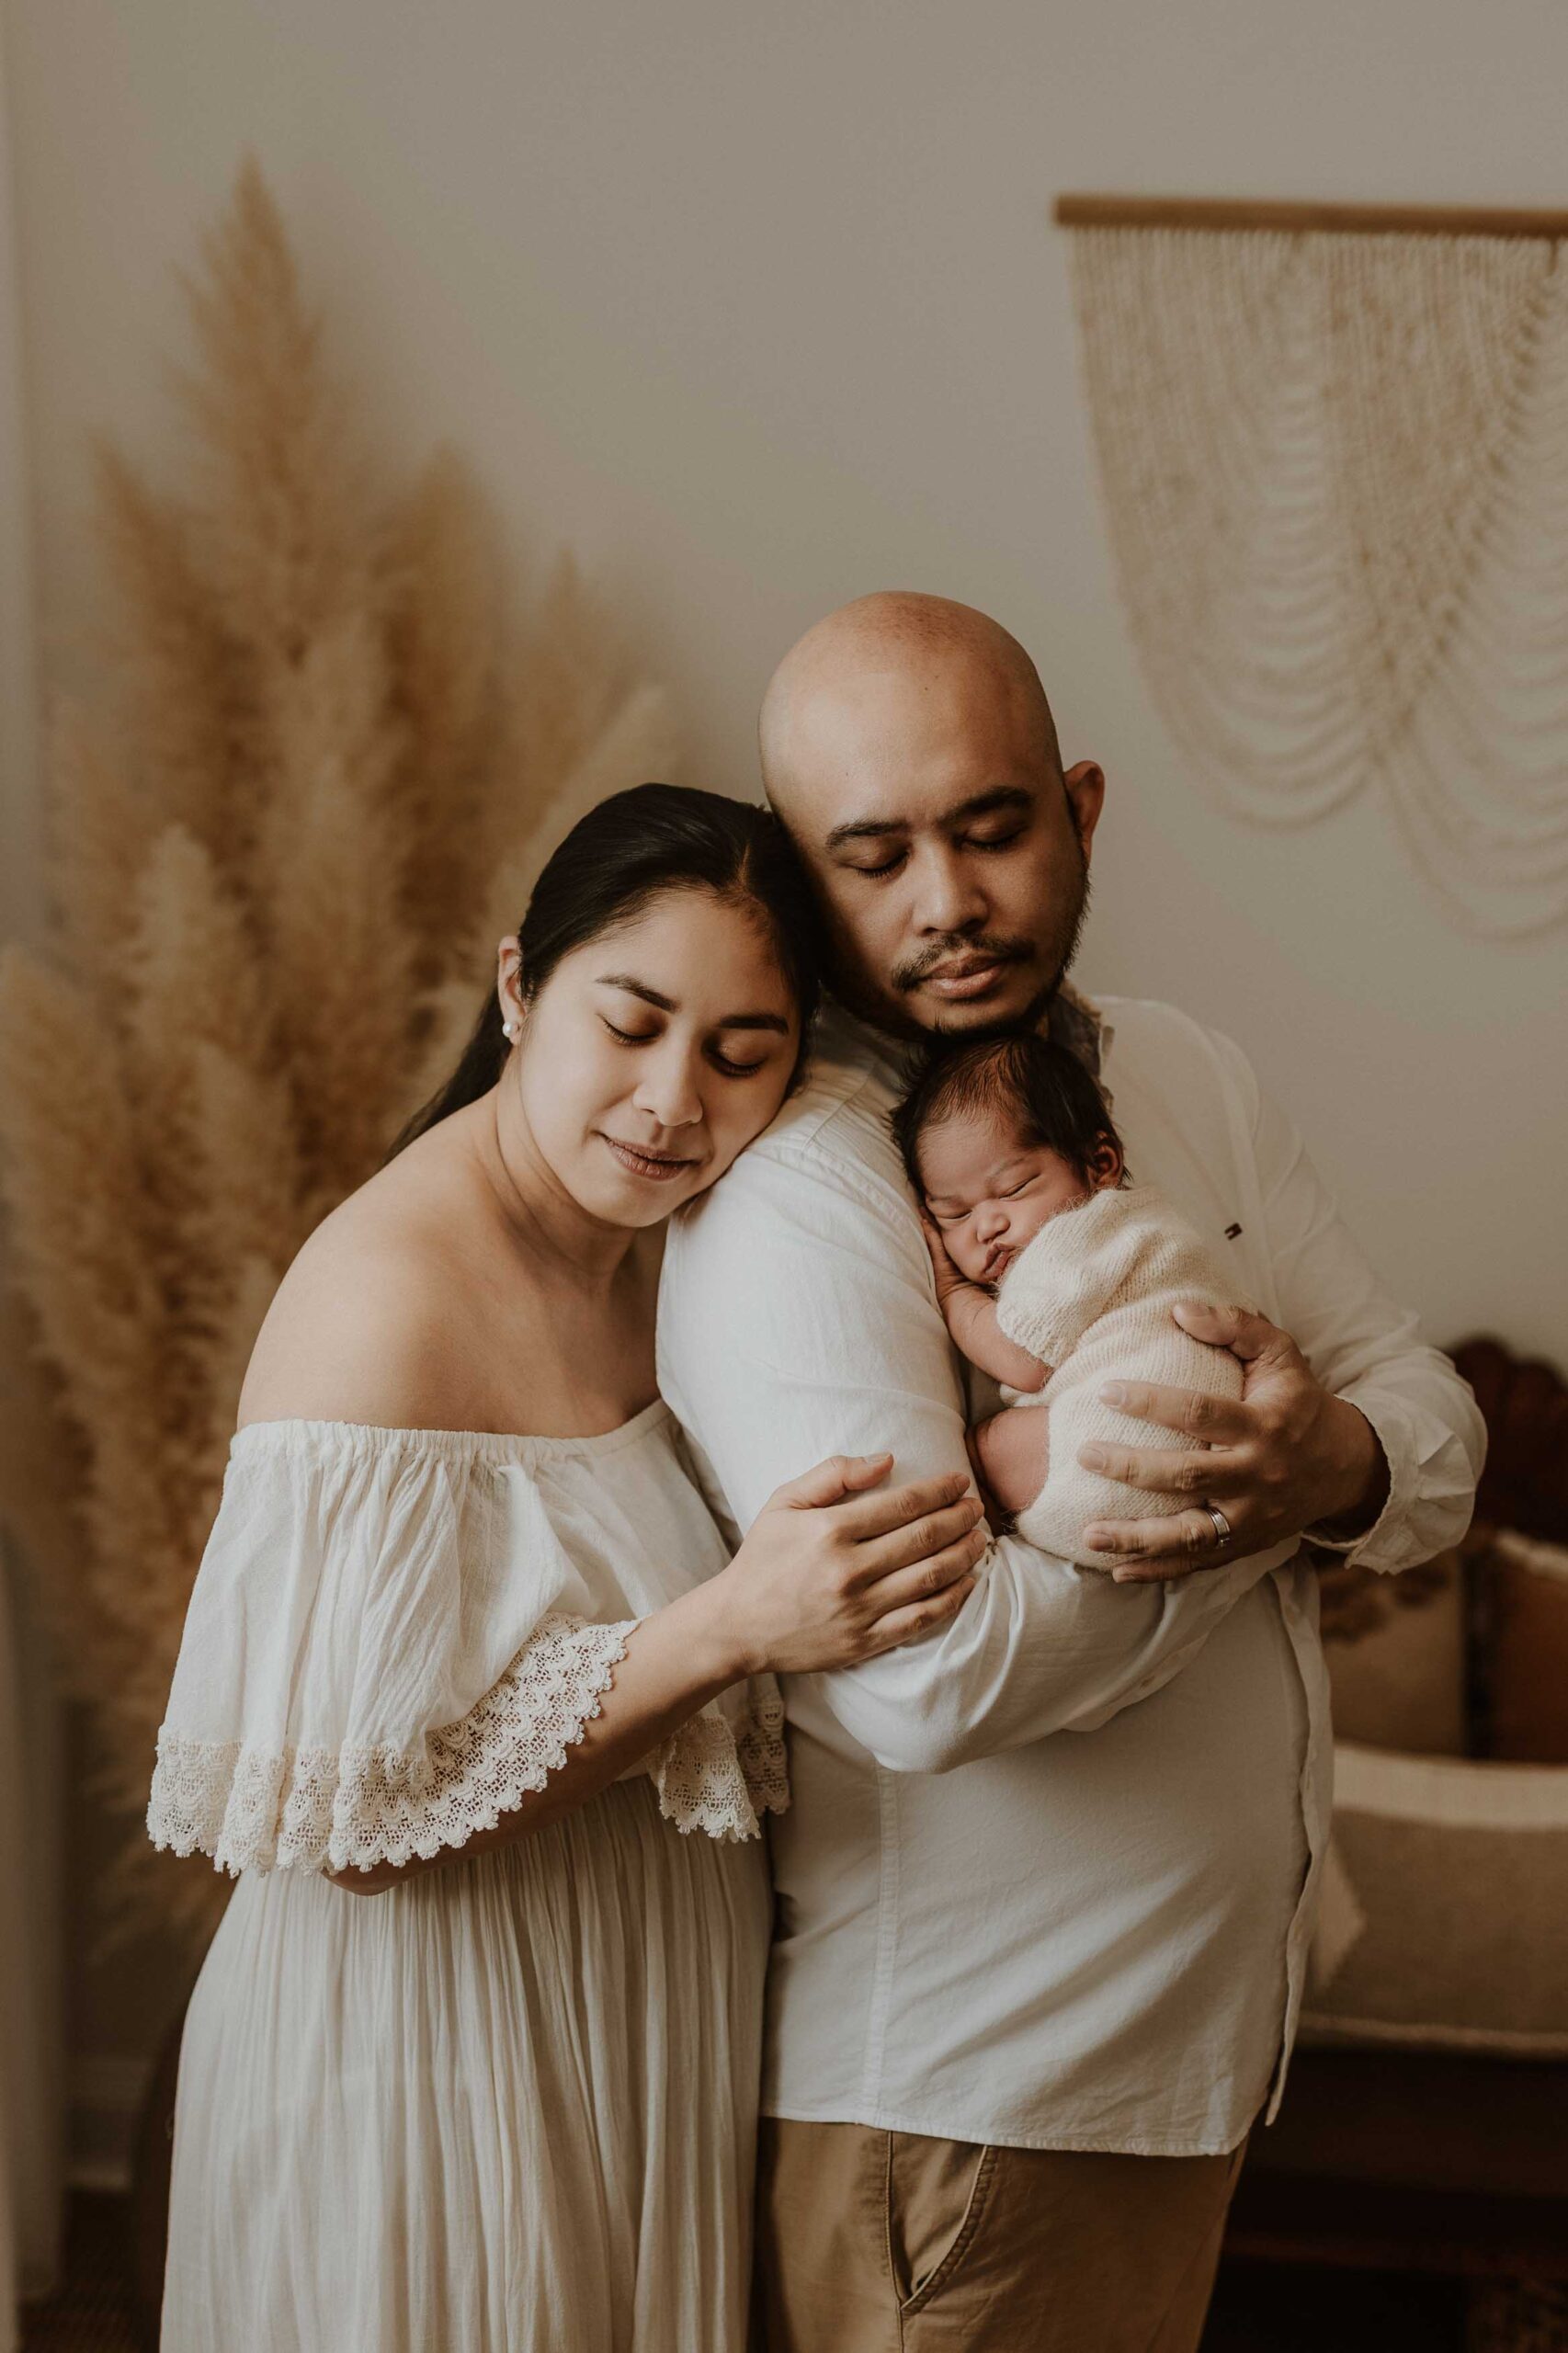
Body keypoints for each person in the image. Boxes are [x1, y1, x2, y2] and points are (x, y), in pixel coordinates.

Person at [655, 595, 1484, 2353]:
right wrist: (1261, 1528)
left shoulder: (1187, 1076)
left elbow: (1421, 1429)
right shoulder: (806, 1190)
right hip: (966, 2106)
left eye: (991, 826)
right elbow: (919, 1683)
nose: (944, 900)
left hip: (1177, 2070)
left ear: (1079, 808)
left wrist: (1327, 1461)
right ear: (804, 884)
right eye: (872, 857)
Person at [146, 782, 986, 2353]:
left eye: (741, 1052)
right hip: (423, 2057)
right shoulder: (386, 1299)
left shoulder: (672, 1257)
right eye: (633, 1021)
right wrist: (733, 1625)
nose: (676, 1100)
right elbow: (359, 1822)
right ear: (519, 985)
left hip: (621, 2021)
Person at [893, 1030, 1249, 1569]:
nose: (987, 1225)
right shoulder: (1154, 1224)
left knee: (986, 1446)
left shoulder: (1075, 1235)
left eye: (1013, 1189)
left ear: (1100, 1163)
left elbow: (1022, 1358)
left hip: (1120, 1454)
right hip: (1211, 1454)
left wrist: (953, 1293)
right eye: (955, 1215)